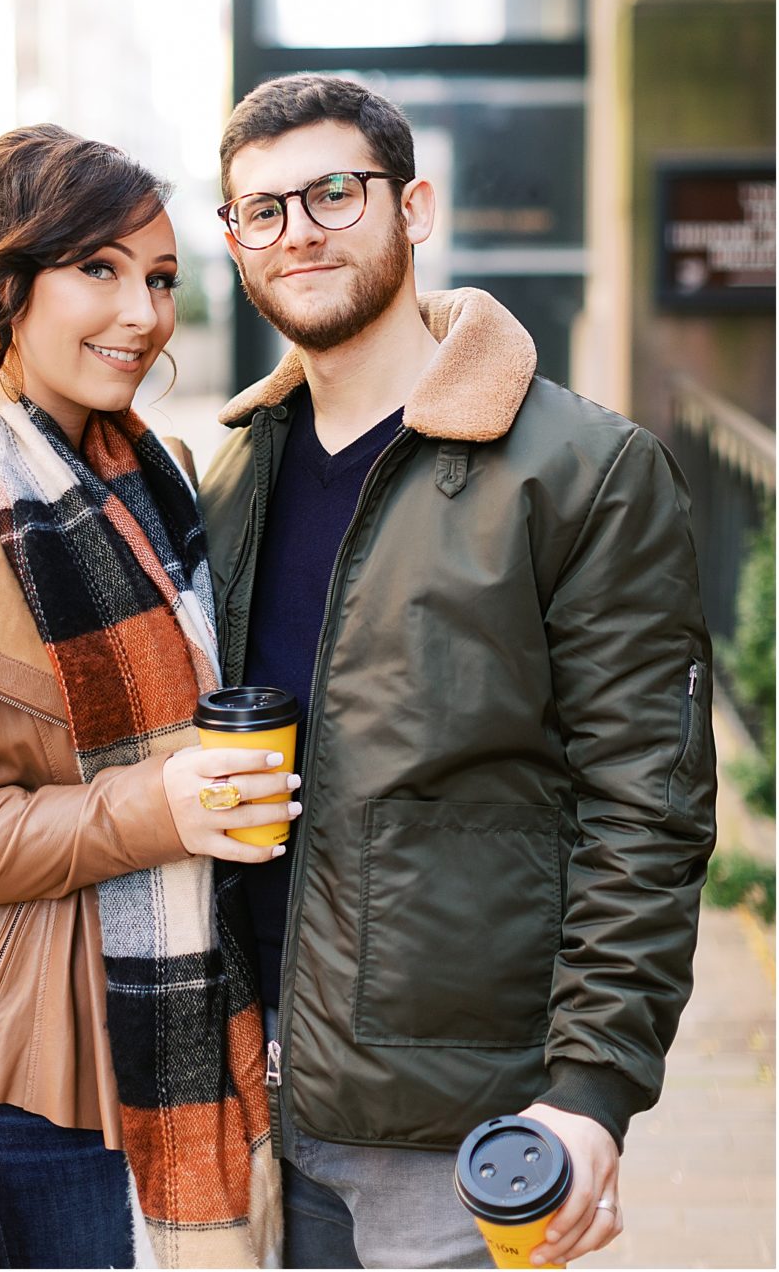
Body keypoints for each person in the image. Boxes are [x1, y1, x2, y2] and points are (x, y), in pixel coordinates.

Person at [199, 75, 717, 1271]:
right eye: (260, 211)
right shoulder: (232, 476)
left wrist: (591, 1092)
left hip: (458, 1127)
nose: (299, 231)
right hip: (247, 1095)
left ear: (413, 206)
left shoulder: (584, 470)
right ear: (233, 242)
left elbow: (648, 805)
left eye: (334, 191)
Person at [0, 124, 296, 1271]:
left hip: (173, 1034)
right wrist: (155, 811)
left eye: (161, 278)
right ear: (6, 285)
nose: (141, 313)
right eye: (99, 269)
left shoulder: (158, 480)